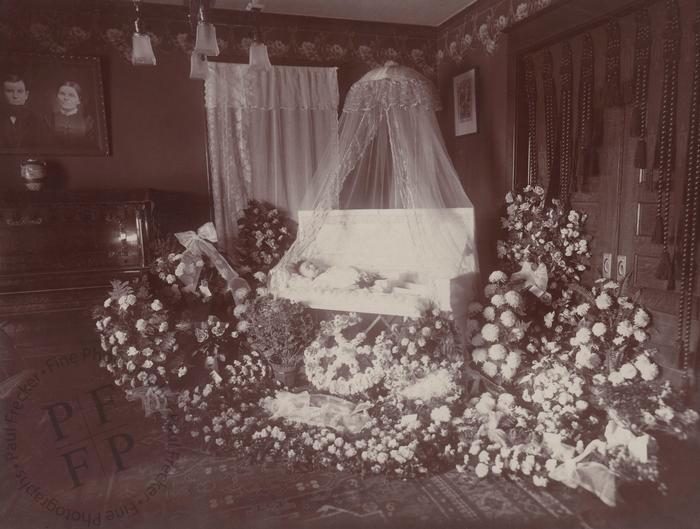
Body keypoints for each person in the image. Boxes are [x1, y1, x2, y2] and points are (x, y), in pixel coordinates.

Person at [0, 74, 42, 148]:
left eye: (19, 91)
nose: (15, 96)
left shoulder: (38, 120)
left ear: (26, 95)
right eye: (9, 91)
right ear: (2, 94)